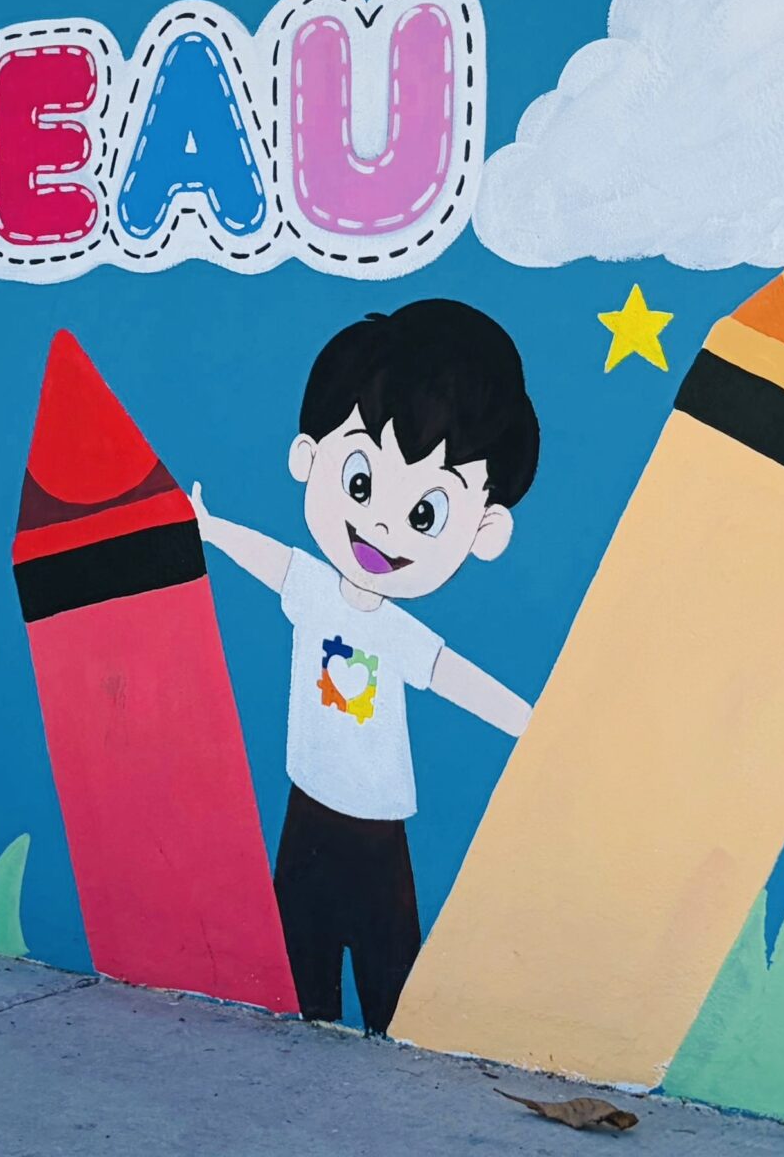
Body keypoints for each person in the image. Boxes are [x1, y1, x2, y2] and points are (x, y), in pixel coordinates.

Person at [192, 299, 540, 1033]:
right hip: (307, 809)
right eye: (361, 482)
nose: (382, 523)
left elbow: (454, 675)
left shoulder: (399, 632)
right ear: (308, 458)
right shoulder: (314, 588)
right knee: (302, 967)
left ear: (485, 530)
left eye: (425, 514)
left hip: (380, 828)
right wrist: (212, 530)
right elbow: (271, 559)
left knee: (391, 983)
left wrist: (532, 724)